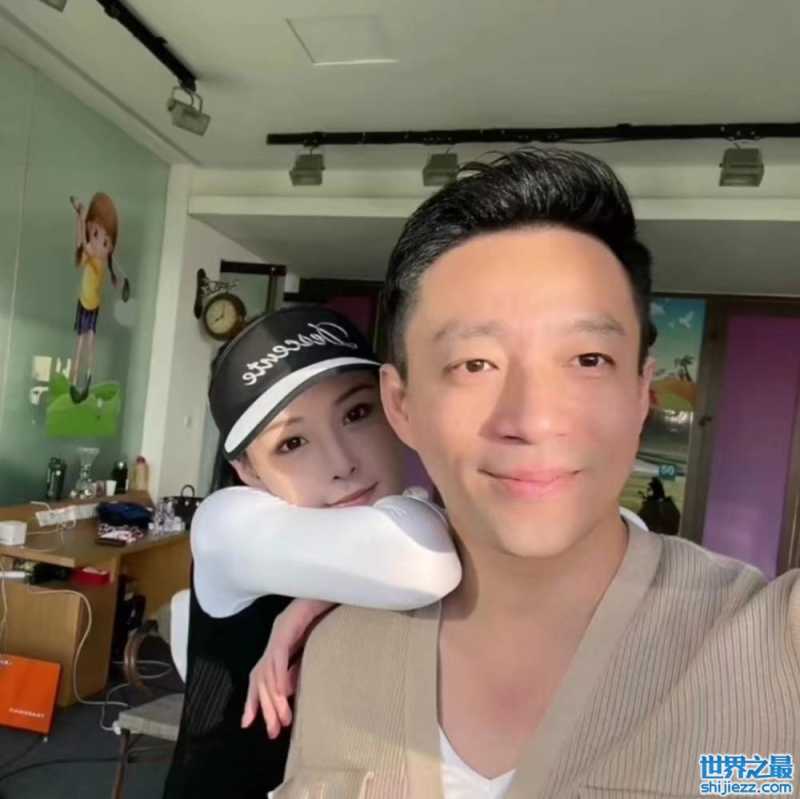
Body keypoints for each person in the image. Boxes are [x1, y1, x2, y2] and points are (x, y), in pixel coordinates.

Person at [275, 149, 800, 799]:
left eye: (587, 359)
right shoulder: (334, 653)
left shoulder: (775, 650)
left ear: (642, 392)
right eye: (474, 364)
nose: (533, 419)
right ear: (402, 404)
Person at [162, 306, 461, 799]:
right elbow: (420, 558)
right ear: (248, 470)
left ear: (395, 409)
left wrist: (303, 607)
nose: (341, 463)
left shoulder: (410, 520)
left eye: (357, 414)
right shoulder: (226, 525)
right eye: (293, 442)